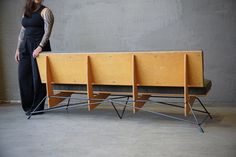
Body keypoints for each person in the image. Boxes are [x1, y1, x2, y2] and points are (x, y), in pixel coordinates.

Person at [15, 0, 54, 115]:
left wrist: (40, 47)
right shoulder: (26, 11)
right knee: (23, 76)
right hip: (25, 47)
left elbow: (47, 32)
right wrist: (18, 48)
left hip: (39, 47)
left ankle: (37, 107)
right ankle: (28, 106)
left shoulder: (46, 11)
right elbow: (22, 31)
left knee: (38, 78)